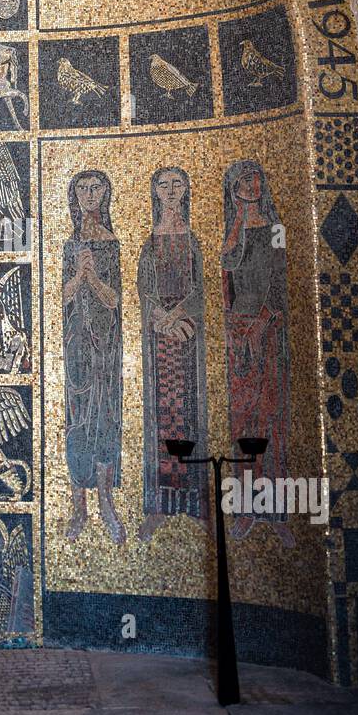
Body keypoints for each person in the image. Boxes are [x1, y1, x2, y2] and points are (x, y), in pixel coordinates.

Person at [221, 159, 293, 547]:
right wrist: (237, 331)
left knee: (272, 419)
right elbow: (227, 272)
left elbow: (281, 283)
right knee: (243, 422)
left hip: (269, 332)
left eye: (255, 178)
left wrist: (262, 324)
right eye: (242, 182)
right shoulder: (231, 235)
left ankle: (277, 512)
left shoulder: (277, 230)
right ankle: (246, 509)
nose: (251, 185)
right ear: (232, 190)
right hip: (239, 335)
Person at [137, 167, 210, 540]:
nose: (169, 190)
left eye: (177, 183)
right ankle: (160, 507)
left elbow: (201, 289)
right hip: (160, 340)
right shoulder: (150, 243)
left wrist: (179, 315)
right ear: (154, 192)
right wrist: (164, 321)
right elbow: (143, 291)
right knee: (161, 417)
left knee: (189, 411)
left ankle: (195, 503)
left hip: (188, 338)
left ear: (186, 190)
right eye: (162, 185)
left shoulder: (193, 240)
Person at [62, 169, 125, 545]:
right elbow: (62, 296)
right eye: (82, 189)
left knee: (105, 415)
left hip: (108, 344)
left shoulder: (112, 243)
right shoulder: (70, 245)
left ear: (106, 193)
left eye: (96, 187)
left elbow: (114, 299)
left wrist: (92, 278)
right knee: (77, 417)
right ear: (75, 195)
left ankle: (106, 499)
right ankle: (78, 503)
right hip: (76, 344)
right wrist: (78, 276)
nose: (89, 194)